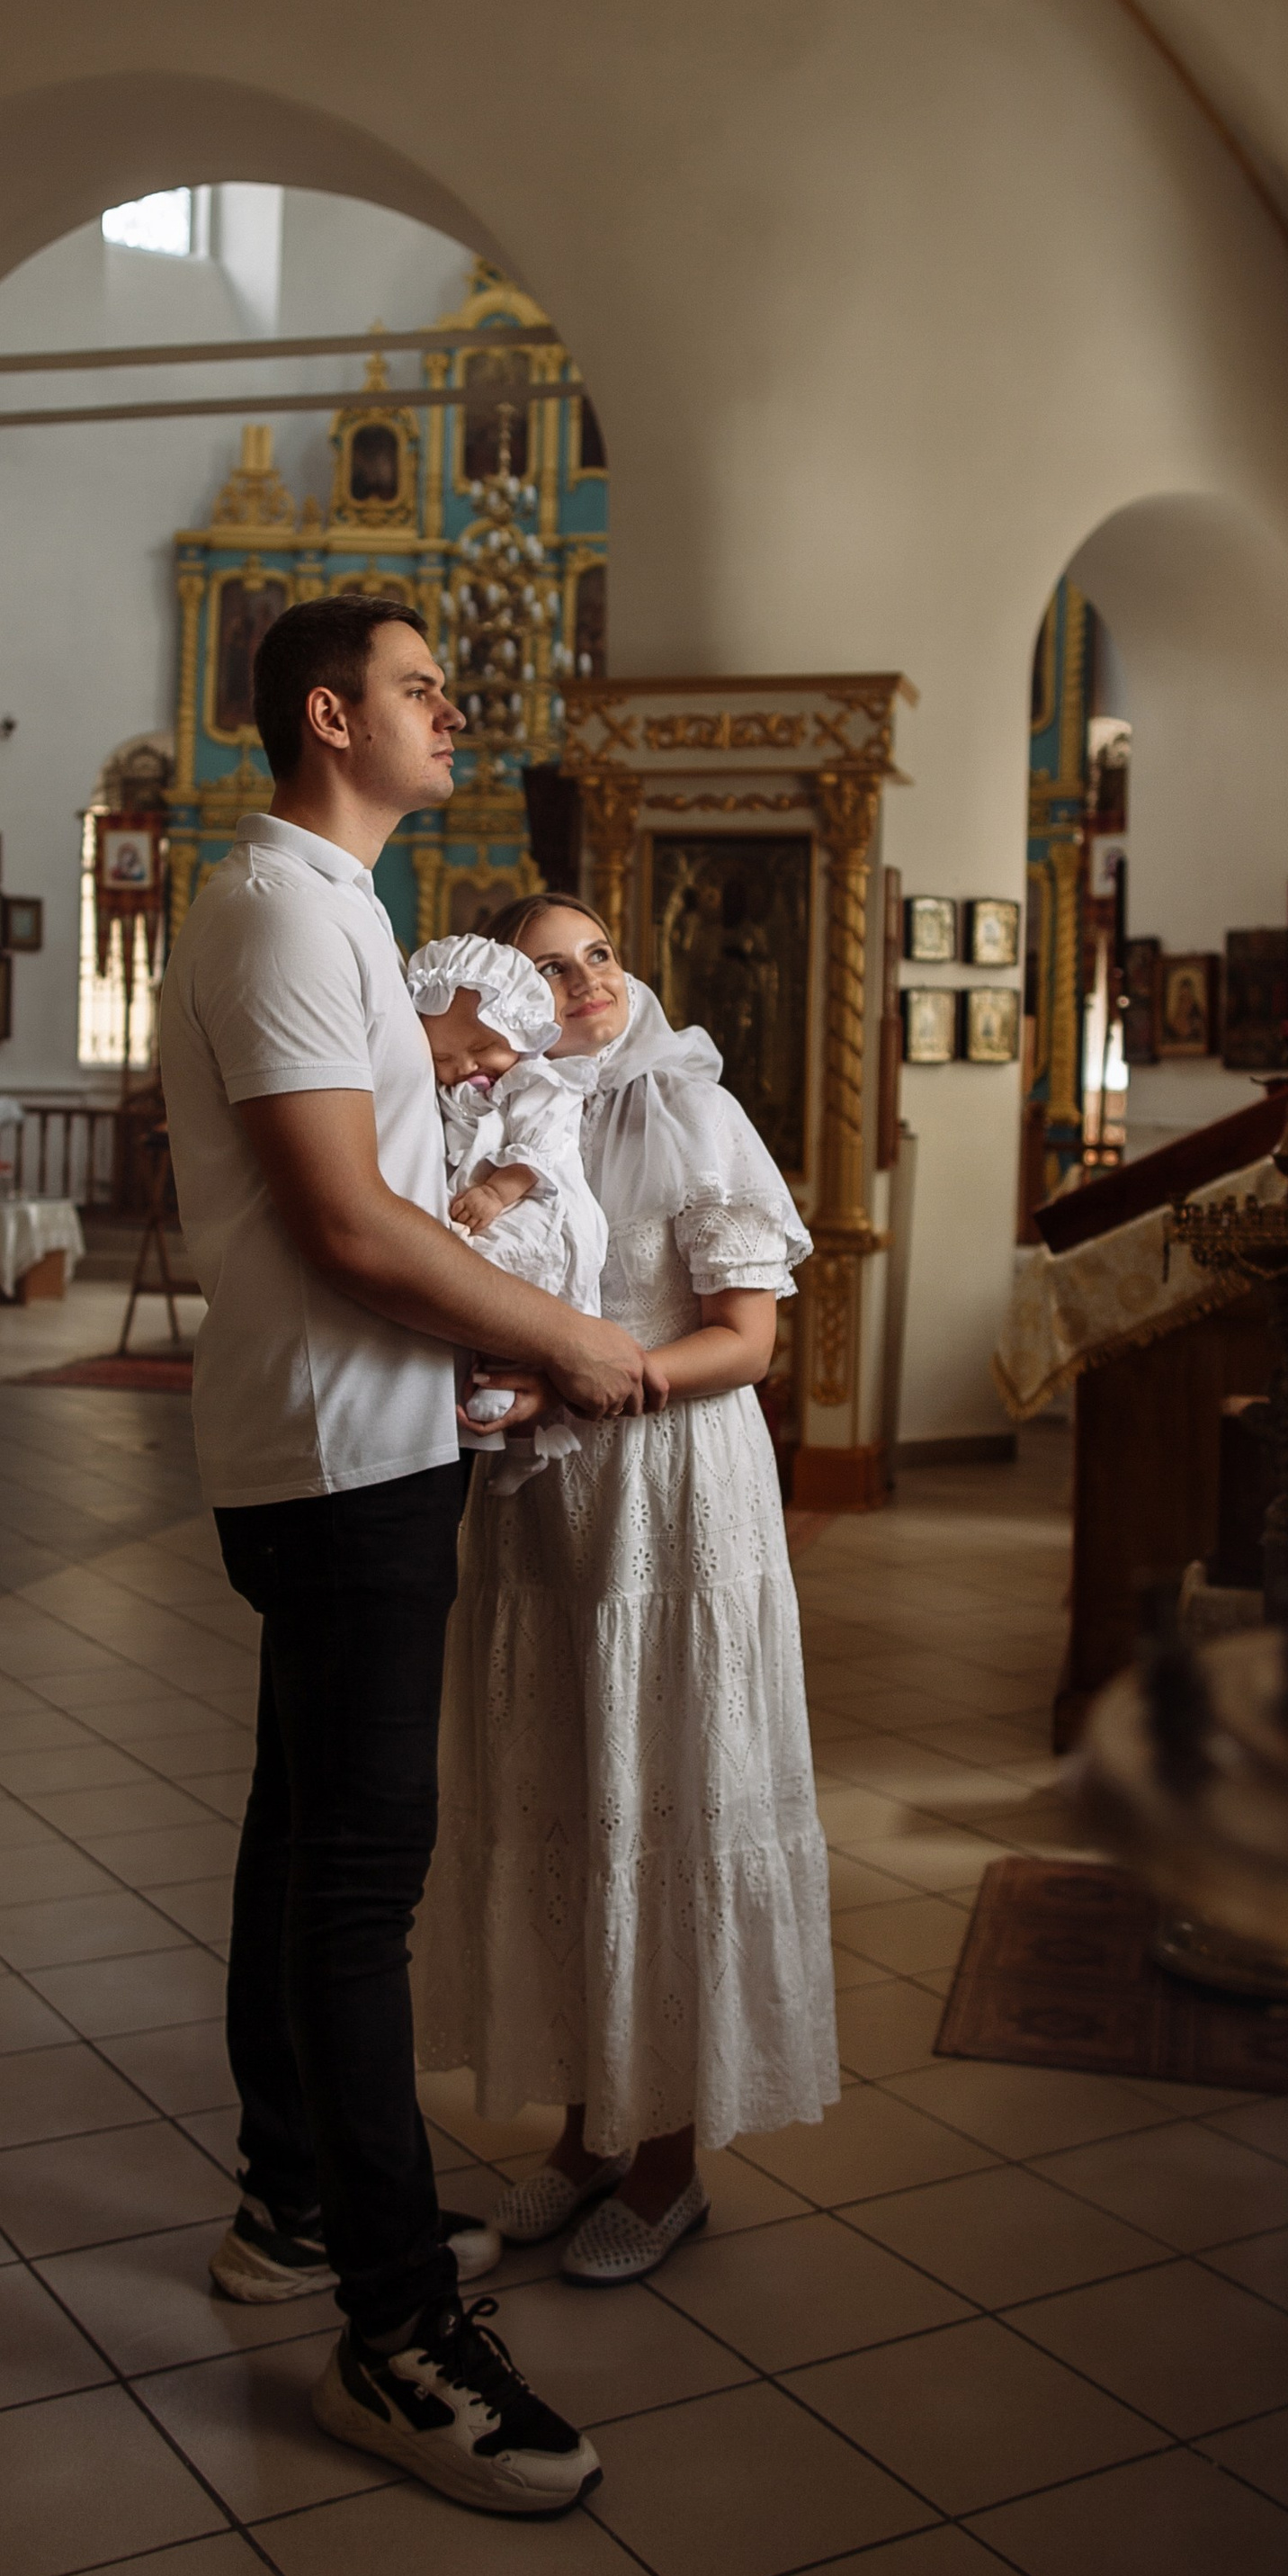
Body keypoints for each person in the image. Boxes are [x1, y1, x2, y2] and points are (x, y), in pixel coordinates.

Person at [158, 603, 658, 2518]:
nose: (452, 710)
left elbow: (367, 1134)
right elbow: (353, 1227)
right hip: (341, 1442)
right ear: (322, 712)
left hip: (357, 1435)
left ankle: (292, 2198)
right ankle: (390, 2332)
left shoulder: (340, 915)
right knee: (357, 1885)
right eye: (418, 688)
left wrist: (432, 1043)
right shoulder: (283, 910)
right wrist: (564, 1337)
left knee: (304, 1834)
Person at [416, 892, 839, 2284]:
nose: (591, 980)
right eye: (552, 966)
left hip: (669, 1489)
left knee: (657, 1797)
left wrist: (605, 1380)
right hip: (546, 1509)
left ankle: (667, 2167)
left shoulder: (691, 1111)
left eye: (600, 954)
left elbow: (749, 1342)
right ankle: (585, 2138)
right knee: (564, 1795)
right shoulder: (497, 1116)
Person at [405, 929, 609, 1476]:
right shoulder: (453, 1093)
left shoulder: (539, 1082)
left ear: (523, 1032)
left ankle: (521, 1433)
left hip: (534, 1205)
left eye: (480, 1049)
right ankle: (514, 1445)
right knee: (471, 1312)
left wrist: (499, 1189)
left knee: (512, 1305)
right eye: (442, 1057)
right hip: (479, 1213)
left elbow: (542, 1149)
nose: (463, 1068)